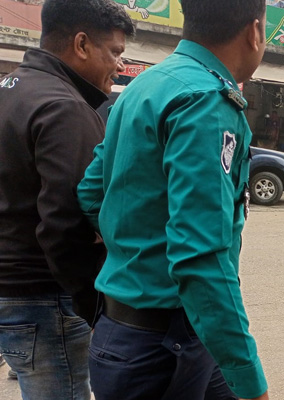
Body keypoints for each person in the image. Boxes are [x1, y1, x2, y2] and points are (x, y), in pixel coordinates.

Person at [76, 1, 269, 399]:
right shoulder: (207, 101)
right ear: (255, 32)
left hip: (124, 334)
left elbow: (92, 193)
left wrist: (138, 249)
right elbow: (201, 258)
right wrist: (251, 383)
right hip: (164, 348)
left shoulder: (144, 87)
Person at [0, 1, 133, 399]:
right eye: (115, 52)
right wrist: (91, 307)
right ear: (81, 44)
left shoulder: (11, 90)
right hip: (43, 297)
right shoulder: (64, 108)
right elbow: (68, 222)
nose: (118, 65)